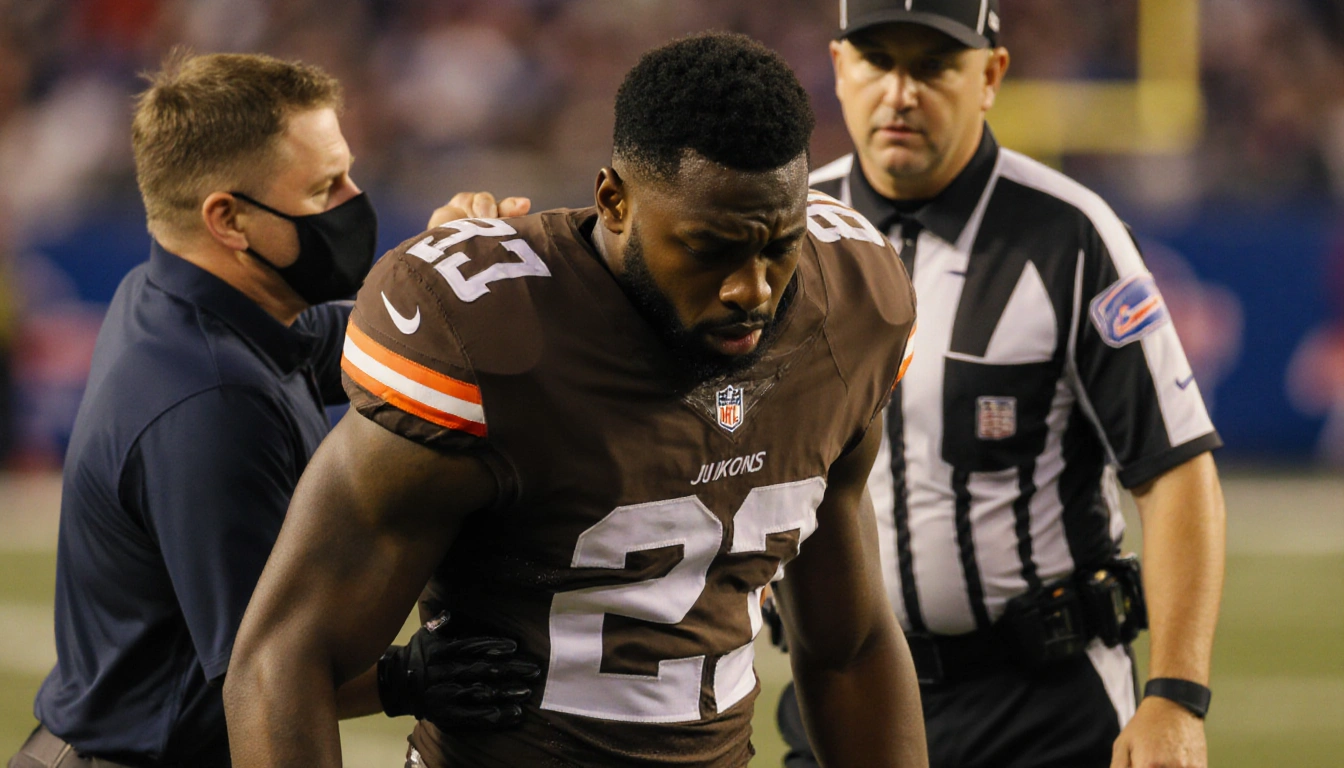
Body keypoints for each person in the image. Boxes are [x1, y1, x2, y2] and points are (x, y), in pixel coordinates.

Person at [222, 32, 928, 768]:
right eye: (709, 248)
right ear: (613, 200)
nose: (750, 289)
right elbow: (285, 657)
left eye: (779, 246)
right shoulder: (489, 340)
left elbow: (849, 646)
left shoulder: (850, 309)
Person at [9, 52, 540, 768]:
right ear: (228, 219)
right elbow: (263, 675)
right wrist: (405, 675)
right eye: (326, 187)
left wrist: (444, 268)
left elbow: (357, 345)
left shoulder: (186, 302)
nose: (355, 199)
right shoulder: (210, 405)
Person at [772, 2, 1228, 767]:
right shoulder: (784, 229)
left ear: (991, 75)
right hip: (838, 695)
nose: (902, 91)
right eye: (878, 60)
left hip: (1041, 707)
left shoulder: (1072, 234)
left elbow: (1175, 469)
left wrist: (1176, 695)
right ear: (839, 67)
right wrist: (499, 237)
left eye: (934, 65)